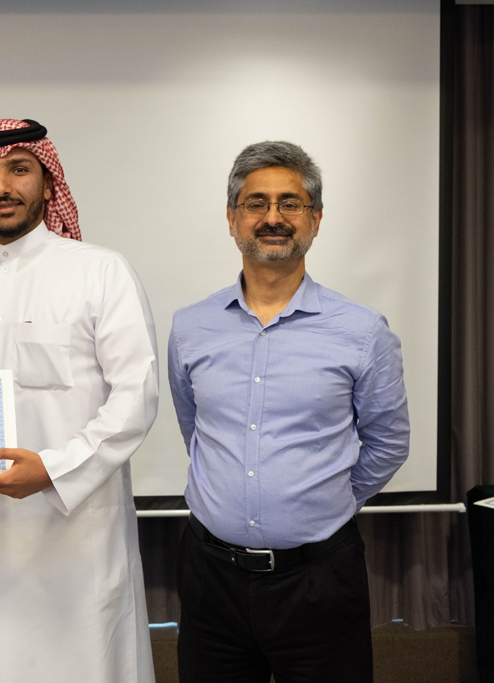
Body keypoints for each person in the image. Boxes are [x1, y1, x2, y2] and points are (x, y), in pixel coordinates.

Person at [0, 119, 159, 683]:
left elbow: (136, 396)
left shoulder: (100, 271)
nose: (2, 187)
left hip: (73, 535)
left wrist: (52, 470)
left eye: (19, 169)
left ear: (48, 183)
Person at [168, 141, 410, 683]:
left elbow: (389, 442)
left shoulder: (362, 330)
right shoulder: (190, 326)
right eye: (255, 203)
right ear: (232, 218)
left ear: (315, 219)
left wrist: (328, 499)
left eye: (290, 203)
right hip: (210, 579)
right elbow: (196, 428)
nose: (272, 217)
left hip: (320, 580)